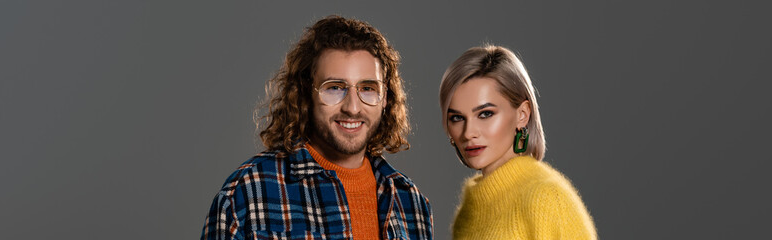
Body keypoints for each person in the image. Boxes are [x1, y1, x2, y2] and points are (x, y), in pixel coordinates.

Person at [201, 16, 433, 240]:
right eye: (334, 88)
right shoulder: (245, 194)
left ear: (385, 99)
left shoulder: (411, 202)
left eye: (367, 88)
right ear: (304, 93)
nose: (352, 107)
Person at [439, 45, 597, 239]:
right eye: (457, 118)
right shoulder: (467, 212)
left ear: (522, 115)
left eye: (485, 114)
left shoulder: (547, 198)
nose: (468, 133)